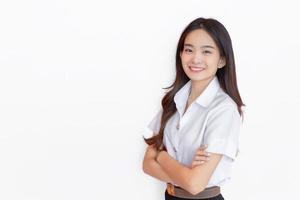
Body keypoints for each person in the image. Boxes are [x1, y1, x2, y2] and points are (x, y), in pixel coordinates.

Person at [142, 17, 245, 200]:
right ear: (180, 54)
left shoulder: (224, 109)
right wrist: (185, 173)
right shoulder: (174, 101)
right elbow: (147, 165)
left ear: (221, 60)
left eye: (206, 51)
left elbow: (195, 185)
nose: (195, 58)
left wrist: (162, 157)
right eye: (189, 50)